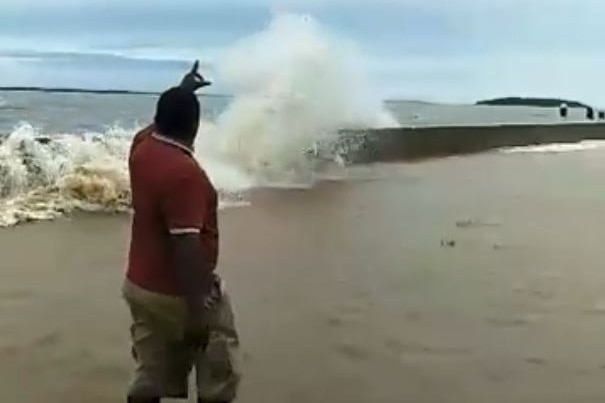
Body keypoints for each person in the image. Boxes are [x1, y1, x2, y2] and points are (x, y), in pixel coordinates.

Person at [123, 62, 240, 403]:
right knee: (219, 362)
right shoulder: (185, 175)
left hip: (138, 285)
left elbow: (158, 124)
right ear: (196, 125)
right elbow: (186, 245)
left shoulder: (141, 148)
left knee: (150, 370)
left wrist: (182, 90)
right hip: (174, 291)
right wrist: (197, 310)